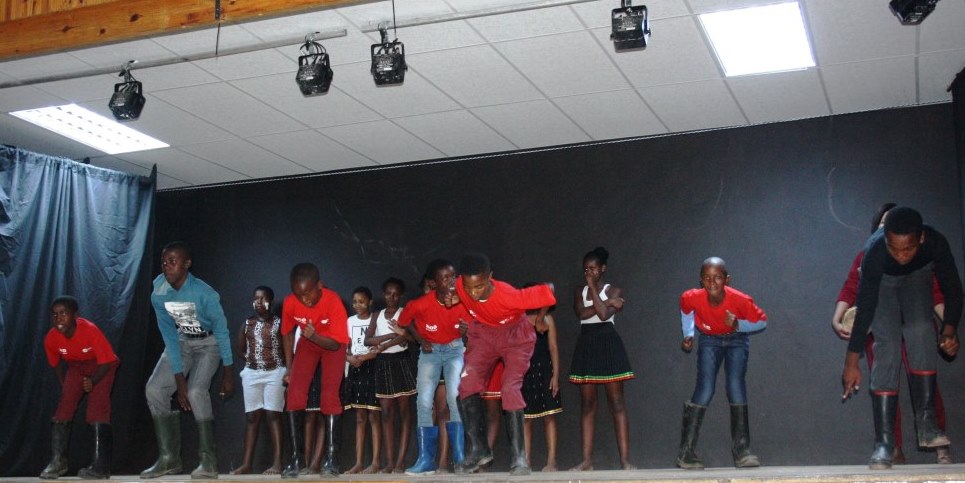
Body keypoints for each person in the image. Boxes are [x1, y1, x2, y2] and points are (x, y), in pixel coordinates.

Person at [831, 203, 952, 464]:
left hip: (915, 288)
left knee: (921, 334)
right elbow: (862, 301)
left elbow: (948, 289)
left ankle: (930, 425)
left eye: (907, 247)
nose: (901, 255)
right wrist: (851, 361)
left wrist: (949, 330)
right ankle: (887, 443)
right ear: (882, 235)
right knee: (887, 352)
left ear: (919, 237)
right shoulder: (872, 253)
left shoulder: (933, 245)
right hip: (884, 303)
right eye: (893, 244)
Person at [453, 252, 556, 476]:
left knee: (509, 388)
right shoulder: (461, 285)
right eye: (469, 287)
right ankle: (478, 451)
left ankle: (519, 458)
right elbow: (457, 293)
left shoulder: (509, 296)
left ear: (490, 277)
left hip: (514, 337)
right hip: (484, 334)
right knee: (466, 384)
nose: (473, 292)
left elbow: (549, 290)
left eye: (479, 286)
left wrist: (539, 318)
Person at [141, 242, 234, 479]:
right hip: (182, 343)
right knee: (154, 389)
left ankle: (208, 462)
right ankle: (169, 459)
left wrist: (228, 372)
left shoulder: (205, 294)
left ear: (187, 264)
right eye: (163, 262)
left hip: (208, 344)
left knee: (195, 392)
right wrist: (178, 379)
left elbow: (222, 332)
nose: (166, 266)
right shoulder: (159, 292)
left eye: (172, 261)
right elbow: (169, 335)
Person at [677, 257, 767, 470]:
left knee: (735, 386)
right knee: (705, 388)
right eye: (707, 278)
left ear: (727, 279)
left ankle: (742, 451)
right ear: (701, 281)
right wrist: (688, 334)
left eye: (717, 277)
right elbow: (686, 310)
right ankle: (686, 452)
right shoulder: (692, 297)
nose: (712, 283)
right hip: (709, 339)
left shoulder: (741, 300)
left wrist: (738, 324)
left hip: (736, 339)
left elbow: (762, 321)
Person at [397, 259, 469, 475]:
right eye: (445, 278)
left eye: (453, 276)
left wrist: (466, 330)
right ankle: (425, 460)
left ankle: (460, 459)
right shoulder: (421, 304)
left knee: (455, 398)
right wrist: (420, 339)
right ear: (433, 282)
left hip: (455, 350)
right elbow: (404, 320)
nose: (451, 281)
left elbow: (473, 327)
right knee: (424, 401)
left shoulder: (463, 302)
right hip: (430, 353)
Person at [568, 247, 635, 471]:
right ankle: (587, 460)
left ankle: (625, 460)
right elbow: (581, 313)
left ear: (603, 269)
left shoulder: (613, 289)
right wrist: (607, 302)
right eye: (586, 268)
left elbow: (604, 316)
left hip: (607, 343)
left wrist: (599, 299)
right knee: (587, 404)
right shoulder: (580, 291)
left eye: (593, 268)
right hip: (587, 344)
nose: (589, 272)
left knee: (616, 403)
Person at [280, 263, 349, 478]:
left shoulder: (333, 301)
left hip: (331, 345)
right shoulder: (291, 303)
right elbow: (287, 334)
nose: (304, 299)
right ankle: (296, 458)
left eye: (308, 292)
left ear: (319, 285)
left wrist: (313, 336)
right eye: (298, 294)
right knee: (294, 395)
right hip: (308, 344)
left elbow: (336, 345)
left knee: (329, 396)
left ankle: (331, 459)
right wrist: (289, 369)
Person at [40, 296, 119, 480]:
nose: (59, 318)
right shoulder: (51, 338)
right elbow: (57, 364)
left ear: (75, 315)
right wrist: (65, 386)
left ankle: (101, 466)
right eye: (55, 315)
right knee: (63, 409)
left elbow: (107, 361)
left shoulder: (89, 330)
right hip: (76, 367)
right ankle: (58, 461)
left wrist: (93, 381)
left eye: (64, 313)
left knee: (96, 410)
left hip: (102, 366)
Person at [230, 286, 285, 475]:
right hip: (252, 373)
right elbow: (240, 347)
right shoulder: (248, 323)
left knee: (273, 415)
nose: (258, 302)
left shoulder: (279, 323)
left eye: (263, 298)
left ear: (271, 301)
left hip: (275, 372)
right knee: (252, 417)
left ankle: (277, 463)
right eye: (256, 298)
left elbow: (287, 348)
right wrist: (250, 359)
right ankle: (246, 464)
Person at [364, 278, 416, 473]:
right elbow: (368, 340)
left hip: (401, 363)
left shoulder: (405, 313)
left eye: (395, 294)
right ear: (383, 294)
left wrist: (392, 340)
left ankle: (401, 461)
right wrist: (391, 336)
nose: (391, 297)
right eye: (388, 293)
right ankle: (389, 462)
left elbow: (410, 338)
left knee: (404, 414)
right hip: (383, 365)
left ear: (401, 295)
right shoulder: (377, 315)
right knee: (386, 415)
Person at [341, 286, 383, 474]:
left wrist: (365, 358)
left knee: (374, 416)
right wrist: (349, 357)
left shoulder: (376, 321)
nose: (358, 305)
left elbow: (379, 347)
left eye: (362, 301)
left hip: (371, 368)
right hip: (355, 368)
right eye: (355, 301)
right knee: (359, 417)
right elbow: (345, 345)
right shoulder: (349, 321)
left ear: (370, 302)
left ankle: (375, 462)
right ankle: (358, 462)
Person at [522, 300, 561, 472]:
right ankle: (526, 461)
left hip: (545, 369)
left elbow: (553, 347)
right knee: (525, 418)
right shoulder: (519, 320)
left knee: (549, 416)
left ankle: (551, 461)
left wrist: (556, 376)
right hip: (525, 371)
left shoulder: (548, 319)